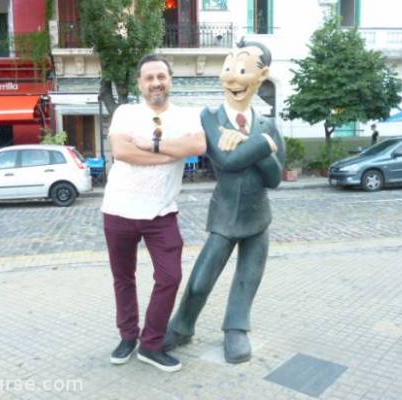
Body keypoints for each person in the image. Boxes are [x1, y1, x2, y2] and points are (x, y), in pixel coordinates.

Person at [165, 39, 285, 364]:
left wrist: (252, 142)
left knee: (249, 277)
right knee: (203, 275)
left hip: (259, 216)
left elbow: (275, 178)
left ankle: (236, 329)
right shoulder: (210, 117)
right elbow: (225, 159)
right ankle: (182, 324)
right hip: (224, 217)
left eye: (243, 70)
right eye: (229, 68)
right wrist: (261, 145)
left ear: (262, 76)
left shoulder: (269, 125)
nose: (232, 77)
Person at [101, 54, 206, 372]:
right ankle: (128, 337)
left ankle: (151, 343)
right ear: (140, 84)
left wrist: (151, 145)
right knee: (123, 278)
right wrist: (170, 153)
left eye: (161, 76)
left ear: (170, 79)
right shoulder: (126, 112)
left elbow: (198, 147)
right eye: (149, 78)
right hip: (118, 210)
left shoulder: (187, 116)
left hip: (162, 213)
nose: (156, 82)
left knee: (170, 277)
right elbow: (121, 151)